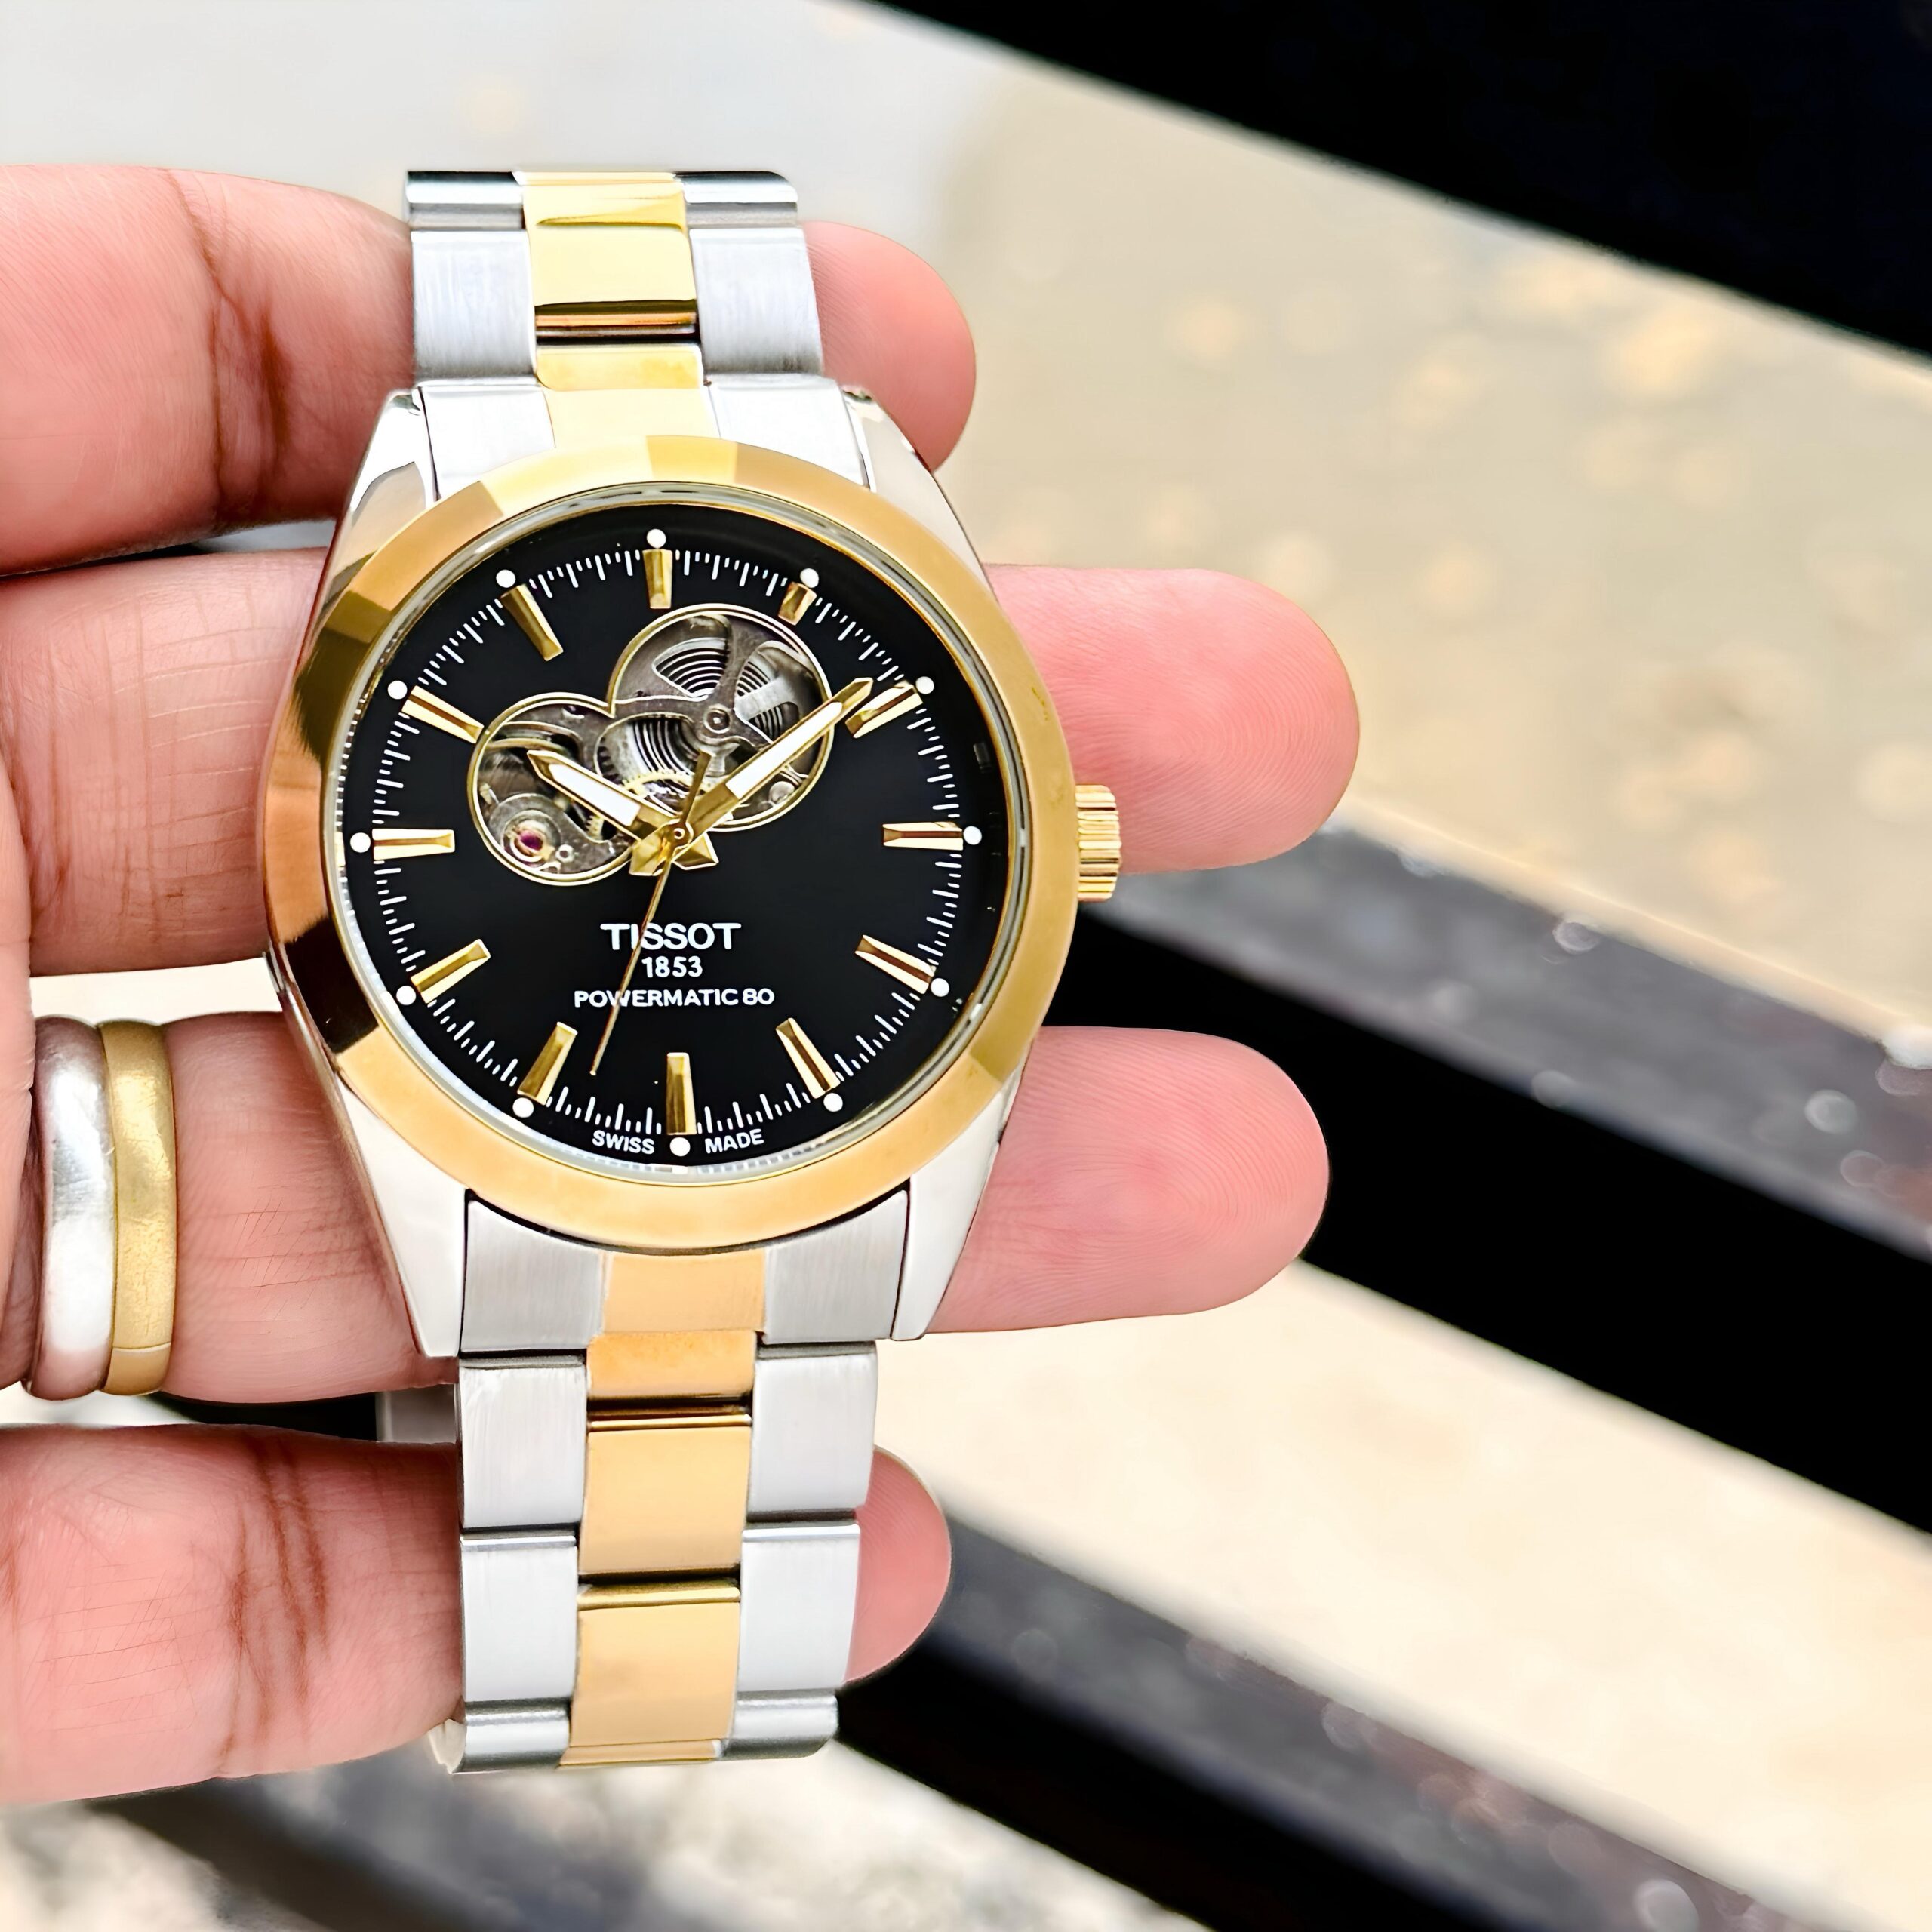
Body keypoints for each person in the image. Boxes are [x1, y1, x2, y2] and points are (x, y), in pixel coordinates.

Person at [0, 166, 1357, 1801]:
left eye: (702, 818)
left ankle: (620, 1659)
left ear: (1056, 842)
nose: (676, 840)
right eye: (639, 820)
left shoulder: (805, 545)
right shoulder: (521, 528)